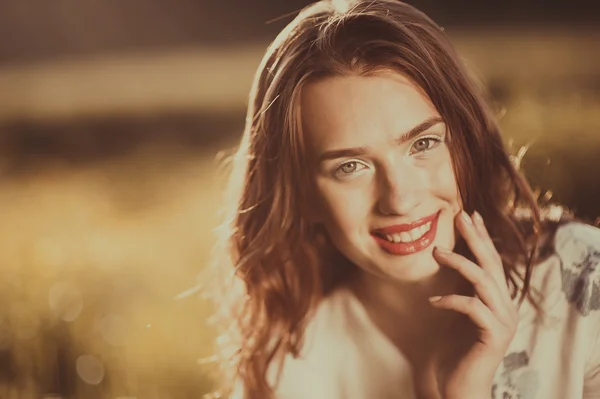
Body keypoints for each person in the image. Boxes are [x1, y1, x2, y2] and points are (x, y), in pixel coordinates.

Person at [210, 0, 600, 398]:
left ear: (465, 141)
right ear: (301, 195)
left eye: (423, 143)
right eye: (350, 166)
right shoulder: (295, 356)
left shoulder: (584, 283)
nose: (399, 198)